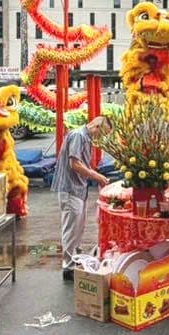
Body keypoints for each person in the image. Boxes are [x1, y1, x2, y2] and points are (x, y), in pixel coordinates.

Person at [53, 116, 110, 280]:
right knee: (71, 229)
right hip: (70, 188)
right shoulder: (79, 135)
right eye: (102, 134)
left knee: (77, 227)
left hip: (77, 189)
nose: (101, 139)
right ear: (97, 126)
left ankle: (74, 261)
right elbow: (75, 164)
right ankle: (69, 266)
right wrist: (97, 176)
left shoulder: (84, 137)